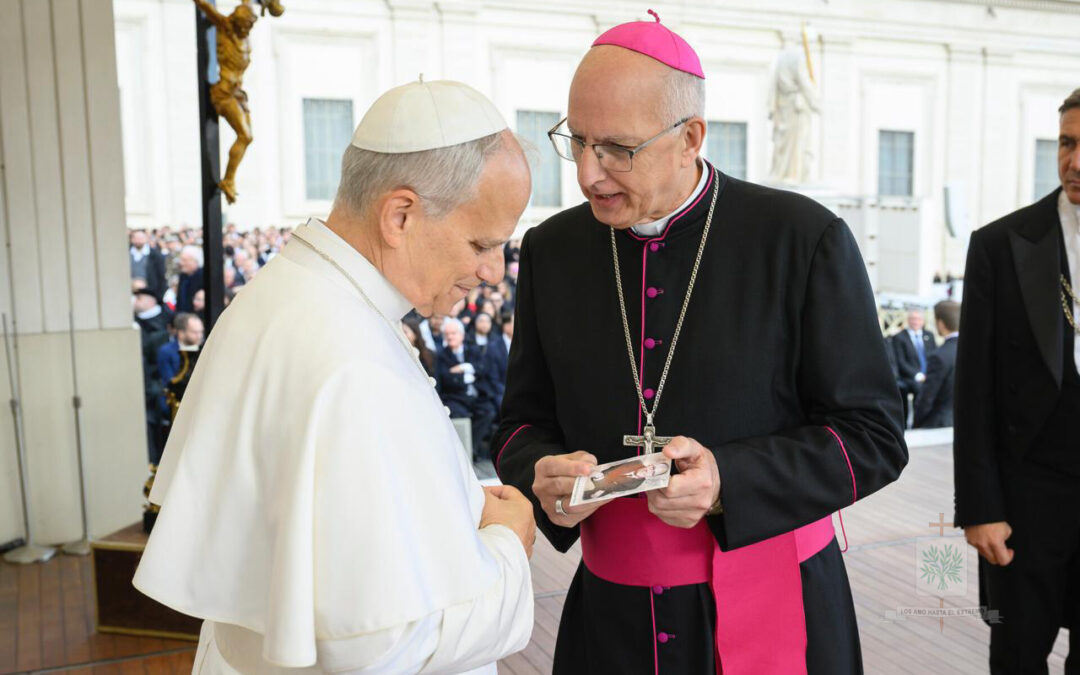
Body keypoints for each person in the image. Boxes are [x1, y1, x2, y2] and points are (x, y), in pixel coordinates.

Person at [493, 13, 907, 673]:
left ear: (691, 137)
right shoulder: (553, 250)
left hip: (779, 601)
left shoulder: (801, 238)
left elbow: (875, 435)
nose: (589, 174)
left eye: (618, 149)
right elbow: (517, 423)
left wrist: (728, 481)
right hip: (613, 622)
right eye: (578, 141)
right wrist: (539, 471)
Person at [134, 79, 537, 673]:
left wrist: (453, 502)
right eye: (482, 242)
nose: (493, 270)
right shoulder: (350, 359)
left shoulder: (289, 293)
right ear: (400, 214)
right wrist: (508, 545)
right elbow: (380, 648)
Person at [953, 88, 1080, 674]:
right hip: (1026, 505)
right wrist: (980, 507)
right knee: (1017, 659)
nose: (1074, 162)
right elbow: (973, 388)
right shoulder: (1001, 245)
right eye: (1067, 143)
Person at [437, 317, 499, 462]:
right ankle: (466, 451)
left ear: (462, 335)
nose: (450, 337)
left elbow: (483, 368)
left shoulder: (473, 350)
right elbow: (445, 377)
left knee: (488, 412)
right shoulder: (442, 354)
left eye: (453, 333)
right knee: (459, 415)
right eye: (447, 334)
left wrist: (465, 368)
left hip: (476, 395)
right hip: (455, 397)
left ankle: (471, 449)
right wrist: (465, 377)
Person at [913, 301, 959, 428]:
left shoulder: (939, 356)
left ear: (940, 323)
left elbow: (927, 398)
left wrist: (916, 424)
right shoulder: (973, 351)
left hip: (938, 423)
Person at [893, 309, 937, 424]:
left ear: (923, 321)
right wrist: (917, 375)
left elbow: (934, 356)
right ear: (908, 320)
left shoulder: (929, 335)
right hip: (910, 377)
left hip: (928, 374)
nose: (915, 322)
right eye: (913, 319)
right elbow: (900, 362)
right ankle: (918, 422)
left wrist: (930, 373)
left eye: (918, 319)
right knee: (921, 388)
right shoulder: (899, 337)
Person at [581, 460, 670, 500]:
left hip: (603, 488)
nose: (649, 470)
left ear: (651, 476)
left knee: (590, 495)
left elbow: (614, 488)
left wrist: (600, 481)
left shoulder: (636, 485)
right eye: (652, 467)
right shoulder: (637, 462)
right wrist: (601, 474)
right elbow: (614, 468)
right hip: (600, 474)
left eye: (653, 472)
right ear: (650, 465)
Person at [130, 229, 167, 302]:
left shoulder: (156, 255)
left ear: (146, 239)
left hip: (149, 293)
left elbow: (161, 276)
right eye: (136, 238)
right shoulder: (126, 254)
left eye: (141, 238)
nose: (138, 241)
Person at [175, 246, 203, 314]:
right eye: (181, 260)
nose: (181, 263)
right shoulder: (183, 276)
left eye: (184, 260)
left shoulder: (203, 277)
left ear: (195, 261)